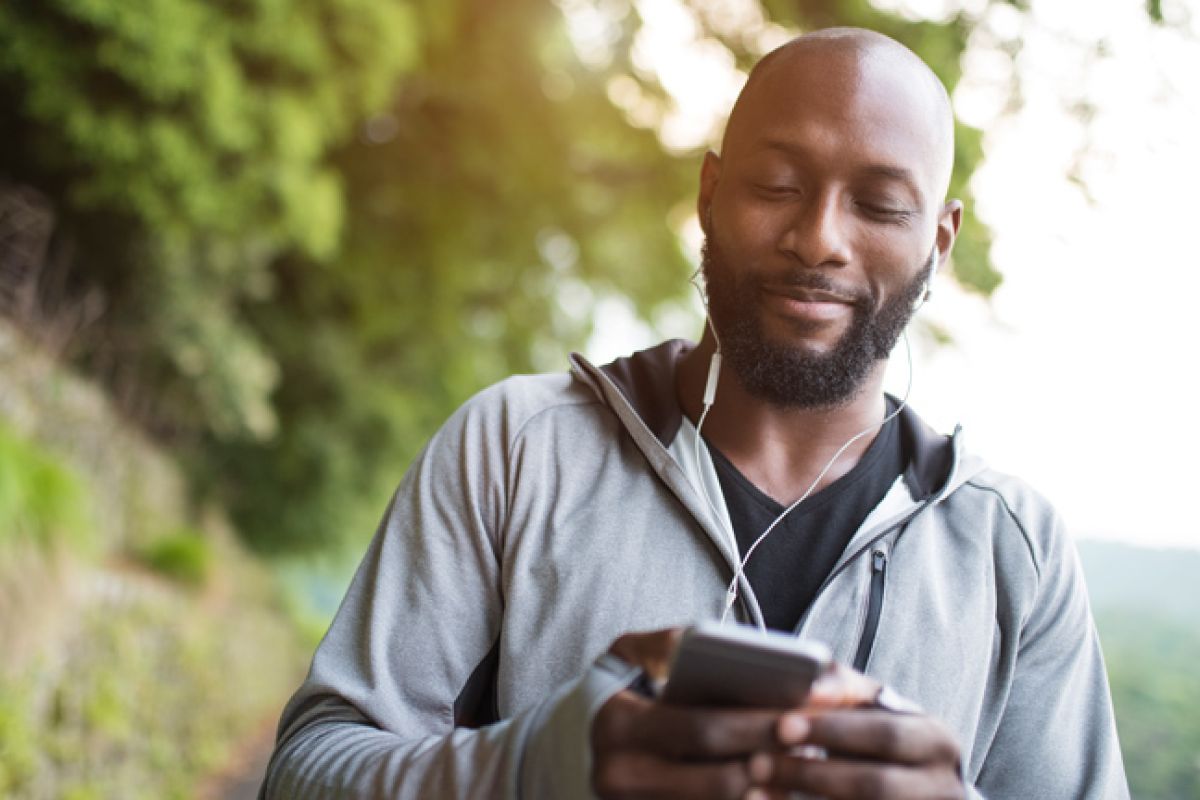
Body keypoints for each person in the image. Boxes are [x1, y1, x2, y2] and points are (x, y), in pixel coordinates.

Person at [259, 27, 1128, 800]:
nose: (820, 238)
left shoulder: (1014, 549)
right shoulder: (516, 448)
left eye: (880, 206)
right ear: (710, 192)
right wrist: (533, 768)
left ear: (938, 240)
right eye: (778, 184)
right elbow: (305, 769)